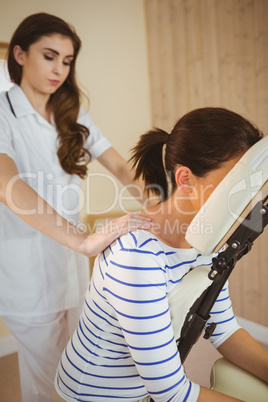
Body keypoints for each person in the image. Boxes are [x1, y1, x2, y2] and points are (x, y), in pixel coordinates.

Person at [55, 107, 268, 401]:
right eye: (234, 183)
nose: (246, 197)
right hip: (95, 395)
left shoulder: (209, 239)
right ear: (185, 179)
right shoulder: (137, 256)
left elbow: (222, 327)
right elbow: (171, 392)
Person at [0, 12, 153, 402]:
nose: (59, 70)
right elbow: (8, 186)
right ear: (19, 54)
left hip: (70, 271)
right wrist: (84, 241)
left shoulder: (71, 114)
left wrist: (160, 204)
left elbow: (119, 165)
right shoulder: (3, 111)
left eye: (67, 61)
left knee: (82, 374)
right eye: (49, 56)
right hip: (28, 275)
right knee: (47, 384)